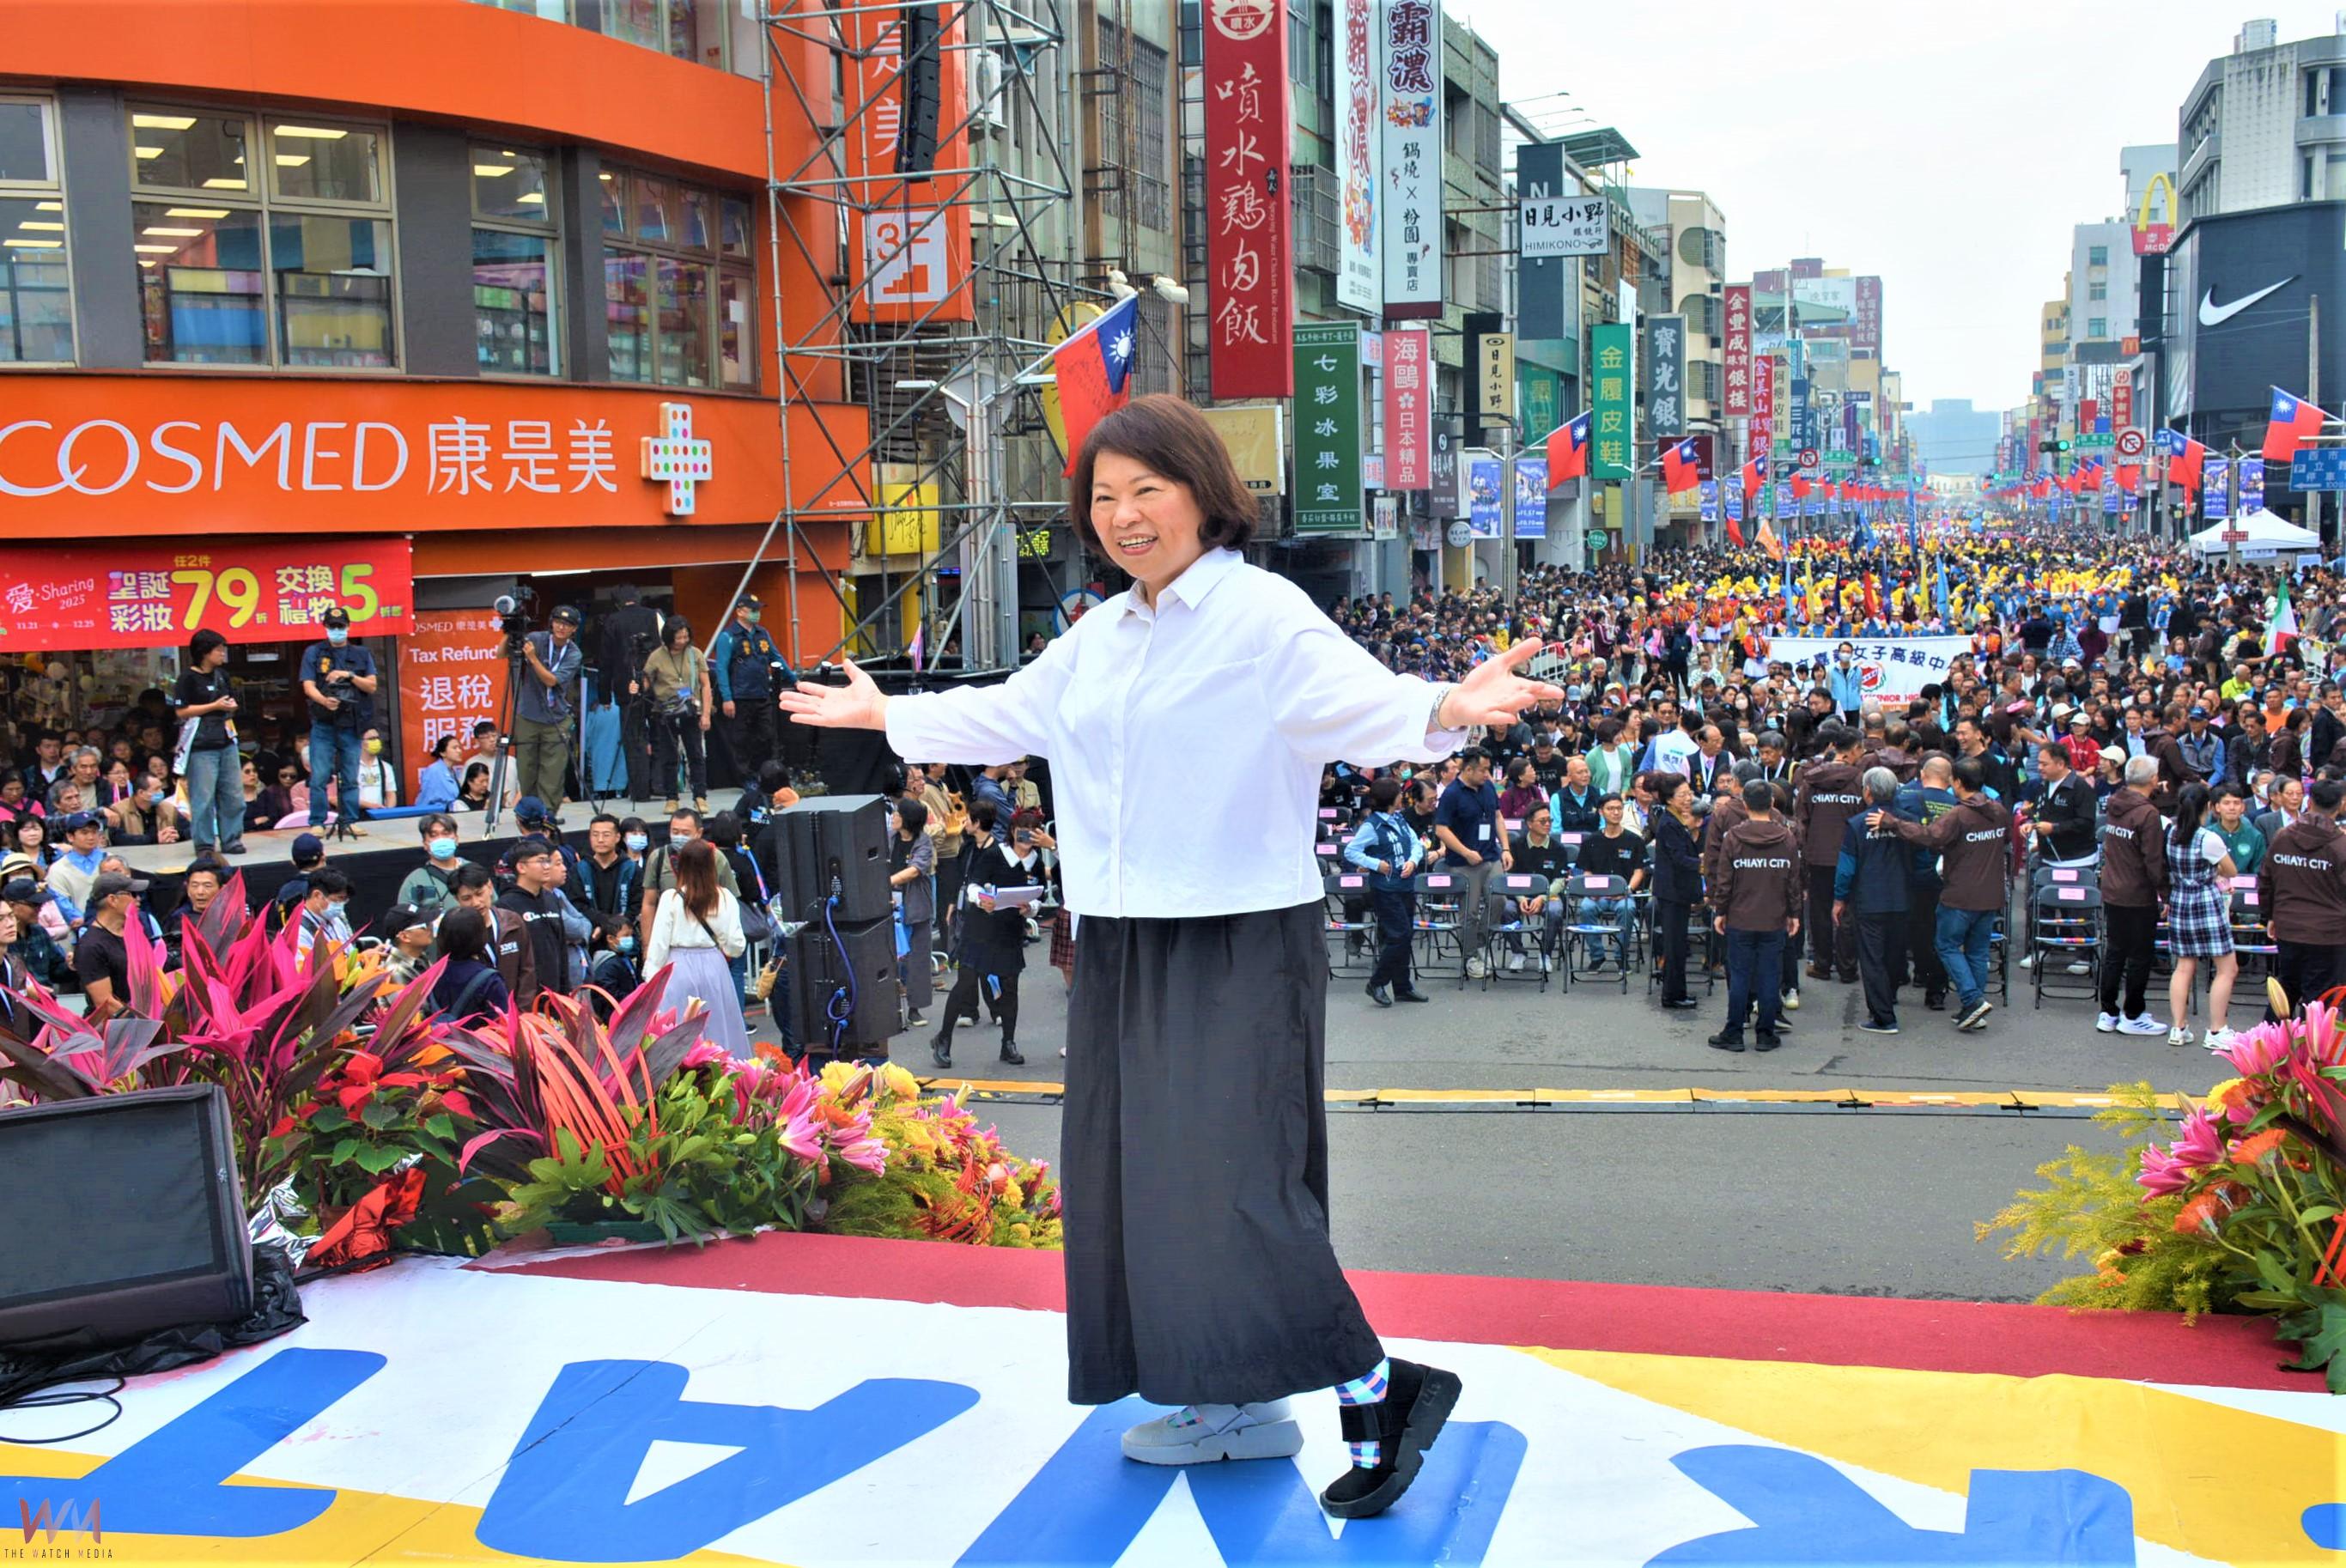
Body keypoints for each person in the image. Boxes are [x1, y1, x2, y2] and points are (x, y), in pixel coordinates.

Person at [780, 394, 1553, 1519]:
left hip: (1238, 934)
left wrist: (1445, 702)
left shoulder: (1260, 613)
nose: (1127, 514)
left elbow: (1357, 700)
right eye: (1105, 496)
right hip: (1124, 938)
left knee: (1241, 1187)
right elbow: (1010, 712)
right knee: (1143, 1186)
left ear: (1204, 492)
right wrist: (883, 716)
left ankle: (1382, 1390)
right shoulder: (1104, 631)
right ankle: (1223, 1401)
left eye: (1150, 488)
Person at [1873, 757, 2012, 1032]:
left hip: (1960, 895)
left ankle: (1972, 1000)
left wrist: (1894, 824)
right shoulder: (1998, 811)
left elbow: (1930, 836)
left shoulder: (1959, 815)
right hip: (1991, 894)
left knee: (1947, 946)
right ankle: (1975, 1007)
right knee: (1977, 951)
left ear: (1956, 783)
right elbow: (2006, 841)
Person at [931, 799, 1039, 1067]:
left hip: (1010, 929)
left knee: (1010, 986)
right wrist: (982, 900)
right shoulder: (995, 854)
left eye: (1033, 830)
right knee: (966, 982)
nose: (1026, 835)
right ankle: (943, 1038)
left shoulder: (1035, 861)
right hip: (981, 927)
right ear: (1013, 831)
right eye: (1022, 829)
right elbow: (973, 885)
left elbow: (1041, 892)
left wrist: (1031, 907)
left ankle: (1008, 1043)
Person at [1709, 778, 1802, 1052]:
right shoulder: (1786, 837)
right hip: (1774, 917)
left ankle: (1734, 1032)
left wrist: (1720, 910)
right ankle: (1765, 1033)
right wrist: (1794, 913)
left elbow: (1724, 880)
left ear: (1745, 804)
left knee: (1739, 976)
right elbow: (1793, 881)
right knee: (1770, 975)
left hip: (1740, 916)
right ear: (1772, 804)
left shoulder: (1734, 837)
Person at [644, 838, 750, 1054]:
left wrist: (651, 981)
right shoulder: (725, 897)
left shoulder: (670, 898)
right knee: (719, 1031)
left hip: (678, 967)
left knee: (679, 1036)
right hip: (714, 967)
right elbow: (735, 946)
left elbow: (658, 945)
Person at [2162, 782, 2240, 1049]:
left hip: (2180, 899)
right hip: (2206, 902)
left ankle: (2178, 1027)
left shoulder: (2171, 832)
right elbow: (2231, 871)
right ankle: (2217, 1030)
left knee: (2184, 966)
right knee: (2226, 968)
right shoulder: (2208, 838)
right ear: (2209, 806)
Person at [2096, 755, 2170, 1036]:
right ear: (2153, 779)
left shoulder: (2116, 803)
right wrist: (2164, 893)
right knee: (2140, 955)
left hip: (2113, 888)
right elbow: (2153, 859)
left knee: (2115, 951)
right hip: (2138, 893)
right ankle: (2133, 1014)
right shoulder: (2147, 814)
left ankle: (2108, 1011)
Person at [2259, 777, 2346, 1015]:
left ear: (2309, 801)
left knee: (2286, 989)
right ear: (2340, 804)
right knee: (2322, 999)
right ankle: (2313, 1050)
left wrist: (2271, 915)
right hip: (2328, 933)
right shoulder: (2340, 845)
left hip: (2289, 926)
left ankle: (2269, 1048)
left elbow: (2266, 880)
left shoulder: (2283, 837)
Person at [1833, 768, 1910, 1035]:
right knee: (1893, 955)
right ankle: (1888, 998)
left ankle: (1883, 1016)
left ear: (1867, 791)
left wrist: (1839, 898)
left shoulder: (1857, 824)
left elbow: (1846, 867)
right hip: (1903, 897)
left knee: (1872, 958)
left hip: (1869, 900)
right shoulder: (1906, 821)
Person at [1345, 775, 1429, 1007]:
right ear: (1391, 798)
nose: (1403, 796)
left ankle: (1403, 987)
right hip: (1385, 889)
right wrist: (1375, 864)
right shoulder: (1372, 826)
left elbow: (1415, 843)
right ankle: (1377, 982)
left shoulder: (1399, 818)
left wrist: (1412, 861)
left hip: (1405, 886)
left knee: (1405, 935)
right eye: (1399, 793)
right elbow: (1351, 852)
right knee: (1399, 935)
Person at [1793, 726, 1865, 985]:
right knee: (1847, 910)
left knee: (1820, 911)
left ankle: (1822, 964)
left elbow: (1802, 820)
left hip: (1817, 856)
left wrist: (1806, 849)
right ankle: (1847, 968)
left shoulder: (1811, 780)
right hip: (1850, 856)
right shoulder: (1859, 780)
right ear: (1855, 749)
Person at [299, 606, 377, 834]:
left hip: (352, 722)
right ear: (325, 627)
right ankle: (317, 822)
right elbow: (307, 685)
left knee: (350, 775)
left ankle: (350, 821)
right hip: (324, 722)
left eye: (340, 626)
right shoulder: (314, 652)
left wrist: (349, 676)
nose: (337, 631)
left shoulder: (361, 654)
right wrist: (324, 701)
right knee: (320, 775)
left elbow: (372, 685)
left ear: (348, 627)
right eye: (332, 627)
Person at [1432, 747, 1510, 978]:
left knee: (1499, 901)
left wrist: (1505, 847)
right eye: (1483, 770)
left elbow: (1497, 816)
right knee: (1471, 913)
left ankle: (1480, 944)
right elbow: (1441, 829)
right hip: (1465, 862)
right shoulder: (1452, 794)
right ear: (1468, 769)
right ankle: (1470, 956)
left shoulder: (1487, 787)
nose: (1488, 774)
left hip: (1491, 855)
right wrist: (1465, 852)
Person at [172, 629, 244, 857]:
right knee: (203, 797)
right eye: (218, 649)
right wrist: (214, 707)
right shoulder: (187, 678)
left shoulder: (222, 675)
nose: (223, 653)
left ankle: (231, 838)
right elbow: (182, 710)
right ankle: (203, 844)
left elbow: (231, 701)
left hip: (226, 739)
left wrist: (230, 706)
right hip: (201, 745)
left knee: (233, 794)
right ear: (204, 652)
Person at [711, 594, 793, 783]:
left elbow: (776, 657)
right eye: (753, 610)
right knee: (740, 740)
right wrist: (727, 698)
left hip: (761, 693)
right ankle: (746, 779)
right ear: (740, 611)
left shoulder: (762, 633)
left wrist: (794, 679)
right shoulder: (728, 637)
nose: (757, 614)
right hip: (740, 696)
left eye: (758, 610)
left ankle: (766, 776)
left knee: (766, 736)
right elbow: (721, 668)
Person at [513, 605, 585, 818]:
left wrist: (533, 659)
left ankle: (547, 814)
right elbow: (501, 653)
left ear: (574, 629)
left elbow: (551, 681)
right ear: (551, 622)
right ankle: (529, 811)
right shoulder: (537, 638)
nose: (562, 627)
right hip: (529, 714)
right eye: (558, 622)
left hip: (557, 715)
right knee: (526, 768)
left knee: (552, 770)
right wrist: (511, 631)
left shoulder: (573, 653)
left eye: (568, 624)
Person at [598, 582, 663, 805]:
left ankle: (640, 791)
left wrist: (604, 695)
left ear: (617, 602)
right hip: (656, 684)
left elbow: (605, 661)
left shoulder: (613, 620)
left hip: (626, 686)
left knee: (633, 739)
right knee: (660, 735)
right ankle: (661, 785)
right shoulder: (653, 616)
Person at [643, 616, 714, 812]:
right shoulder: (656, 656)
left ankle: (700, 796)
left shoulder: (695, 654)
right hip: (665, 712)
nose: (682, 641)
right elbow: (646, 682)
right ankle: (671, 797)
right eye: (678, 638)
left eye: (685, 637)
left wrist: (706, 714)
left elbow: (706, 685)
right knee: (668, 756)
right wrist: (636, 684)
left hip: (690, 710)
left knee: (696, 754)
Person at [1647, 772, 1703, 1011]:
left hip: (1678, 891)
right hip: (1672, 892)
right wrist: (1702, 864)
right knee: (1674, 945)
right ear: (1669, 799)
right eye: (1683, 795)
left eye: (1689, 793)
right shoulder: (1669, 823)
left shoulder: (1676, 819)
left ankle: (1677, 992)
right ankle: (1672, 995)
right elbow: (1678, 858)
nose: (1688, 798)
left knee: (1678, 944)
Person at [635, 806, 739, 934]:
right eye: (675, 832)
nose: (679, 837)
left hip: (708, 938)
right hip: (669, 937)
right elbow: (649, 903)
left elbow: (731, 901)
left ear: (699, 833)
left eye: (685, 833)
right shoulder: (658, 858)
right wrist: (647, 945)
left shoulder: (715, 857)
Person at [448, 860, 537, 1006]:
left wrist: (521, 1012)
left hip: (517, 1013)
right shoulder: (456, 931)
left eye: (479, 894)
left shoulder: (512, 922)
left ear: (489, 887)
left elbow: (527, 969)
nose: (476, 903)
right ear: (457, 900)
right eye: (467, 898)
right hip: (480, 1019)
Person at [1574, 793, 1646, 969]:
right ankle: (1597, 956)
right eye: (1611, 809)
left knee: (1627, 909)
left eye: (1619, 808)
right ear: (1601, 812)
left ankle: (1621, 955)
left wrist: (1627, 890)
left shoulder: (1634, 840)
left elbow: (1639, 871)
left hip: (1623, 895)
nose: (1616, 812)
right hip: (1598, 895)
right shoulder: (1591, 841)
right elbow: (1587, 871)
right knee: (1586, 907)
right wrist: (1592, 891)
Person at [496, 837, 568, 1006]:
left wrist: (566, 993)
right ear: (521, 867)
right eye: (541, 861)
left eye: (548, 861)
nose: (547, 867)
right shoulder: (507, 905)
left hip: (555, 995)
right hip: (526, 999)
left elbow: (561, 948)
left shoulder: (551, 899)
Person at [890, 797, 937, 1027]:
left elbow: (914, 870)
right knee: (889, 957)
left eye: (898, 813)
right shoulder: (888, 838)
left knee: (917, 956)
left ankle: (915, 1008)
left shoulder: (924, 842)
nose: (893, 816)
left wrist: (886, 881)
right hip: (888, 903)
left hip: (915, 903)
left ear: (908, 819)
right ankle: (890, 1010)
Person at [74, 871, 144, 1021]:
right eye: (132, 894)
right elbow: (105, 1002)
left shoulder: (134, 932)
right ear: (112, 900)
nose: (138, 899)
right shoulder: (91, 946)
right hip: (115, 1032)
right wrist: (145, 1024)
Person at [430, 907, 513, 1020]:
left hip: (437, 1037)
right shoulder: (490, 980)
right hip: (477, 1037)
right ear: (480, 936)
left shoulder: (430, 977)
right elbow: (502, 1023)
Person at [394, 814, 466, 919]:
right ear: (425, 844)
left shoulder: (473, 871)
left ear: (456, 839)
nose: (441, 839)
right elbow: (404, 918)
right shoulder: (416, 881)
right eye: (434, 835)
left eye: (446, 833)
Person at [162, 856, 228, 967]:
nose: (200, 892)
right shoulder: (179, 921)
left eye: (207, 886)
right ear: (187, 889)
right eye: (195, 885)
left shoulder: (231, 920)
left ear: (222, 889)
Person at [293, 866, 354, 966]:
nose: (341, 904)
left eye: (345, 900)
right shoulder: (299, 932)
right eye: (339, 899)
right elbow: (304, 971)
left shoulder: (336, 921)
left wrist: (364, 957)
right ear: (317, 895)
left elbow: (349, 953)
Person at [379, 901, 437, 988]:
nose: (430, 927)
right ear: (404, 937)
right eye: (423, 926)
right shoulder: (396, 972)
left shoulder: (420, 958)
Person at [356, 726, 399, 812]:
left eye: (377, 738)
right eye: (371, 739)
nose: (376, 742)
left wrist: (388, 812)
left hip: (379, 814)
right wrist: (370, 806)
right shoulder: (351, 767)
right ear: (361, 742)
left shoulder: (385, 767)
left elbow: (390, 794)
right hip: (356, 814)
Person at [416, 735, 465, 811]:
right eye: (454, 748)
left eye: (459, 748)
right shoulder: (434, 771)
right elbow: (426, 798)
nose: (459, 751)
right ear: (443, 753)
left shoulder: (452, 771)